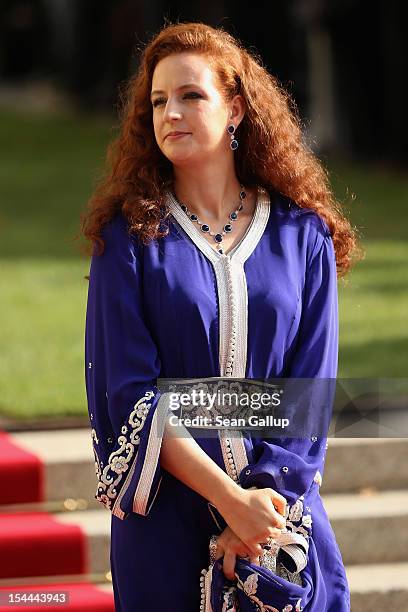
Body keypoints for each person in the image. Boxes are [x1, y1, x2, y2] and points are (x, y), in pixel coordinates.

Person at [81, 21, 361, 612]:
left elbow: (308, 395)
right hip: (165, 526)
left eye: (191, 96)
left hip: (280, 523)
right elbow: (131, 396)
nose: (171, 113)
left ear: (234, 109)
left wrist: (258, 508)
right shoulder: (129, 240)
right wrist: (231, 501)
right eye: (158, 101)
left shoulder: (301, 236)